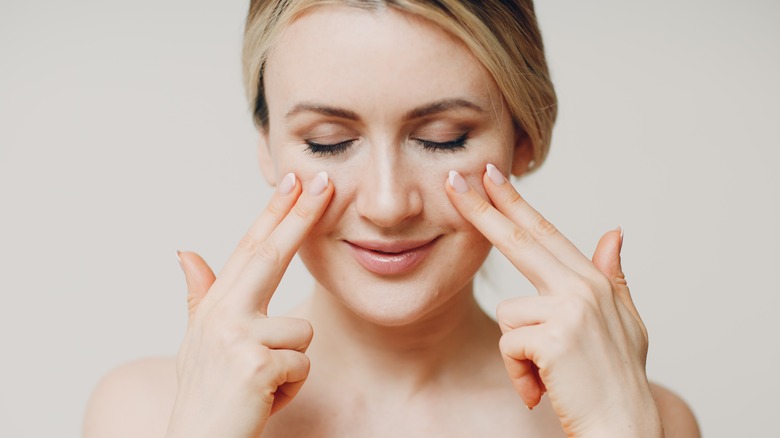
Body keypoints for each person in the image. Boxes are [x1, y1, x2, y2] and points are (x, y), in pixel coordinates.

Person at [84, 1, 700, 436]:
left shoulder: (648, 419)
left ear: (523, 138)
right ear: (267, 145)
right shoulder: (143, 415)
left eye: (443, 137)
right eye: (327, 141)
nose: (386, 204)